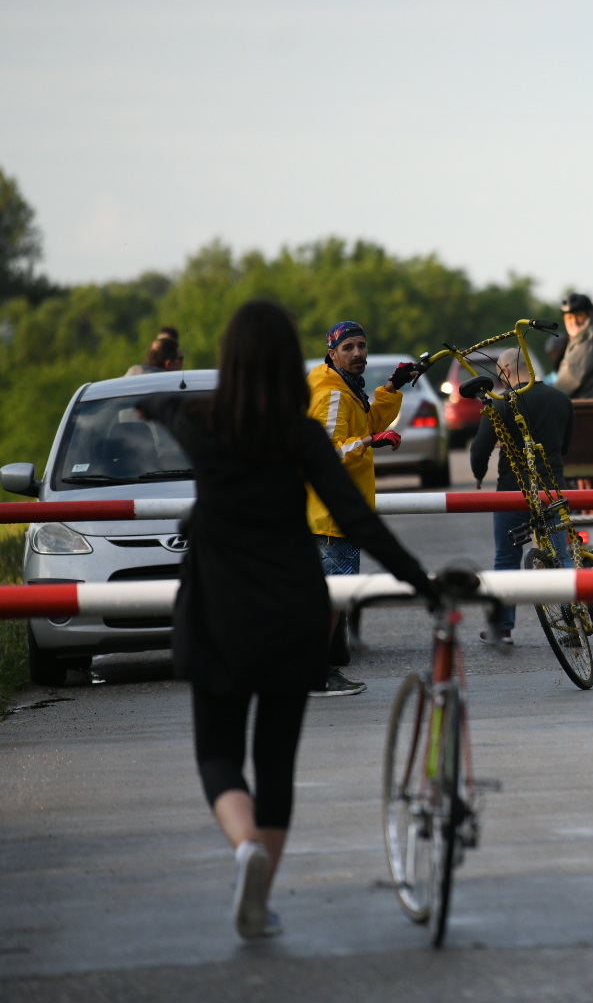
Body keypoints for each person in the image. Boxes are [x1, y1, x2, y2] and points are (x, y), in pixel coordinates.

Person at [141, 299, 435, 941]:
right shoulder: (300, 434)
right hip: (289, 613)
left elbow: (157, 406)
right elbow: (356, 520)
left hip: (218, 611)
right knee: (275, 765)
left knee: (218, 755)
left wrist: (150, 398)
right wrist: (423, 584)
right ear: (291, 360)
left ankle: (244, 845)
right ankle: (261, 896)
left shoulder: (200, 419)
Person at [305, 320, 416, 697]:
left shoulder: (337, 383)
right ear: (332, 352)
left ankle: (318, 670)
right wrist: (371, 440)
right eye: (349, 347)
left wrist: (393, 388)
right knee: (333, 598)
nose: (357, 354)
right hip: (332, 514)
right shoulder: (332, 394)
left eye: (362, 346)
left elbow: (364, 422)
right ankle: (317, 674)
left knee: (332, 597)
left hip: (334, 511)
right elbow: (328, 453)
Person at [469, 346, 575, 645]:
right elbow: (565, 446)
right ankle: (576, 618)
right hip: (552, 492)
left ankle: (501, 629)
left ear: (505, 371)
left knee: (506, 557)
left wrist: (478, 474)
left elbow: (480, 450)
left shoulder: (501, 403)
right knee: (560, 556)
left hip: (512, 493)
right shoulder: (561, 400)